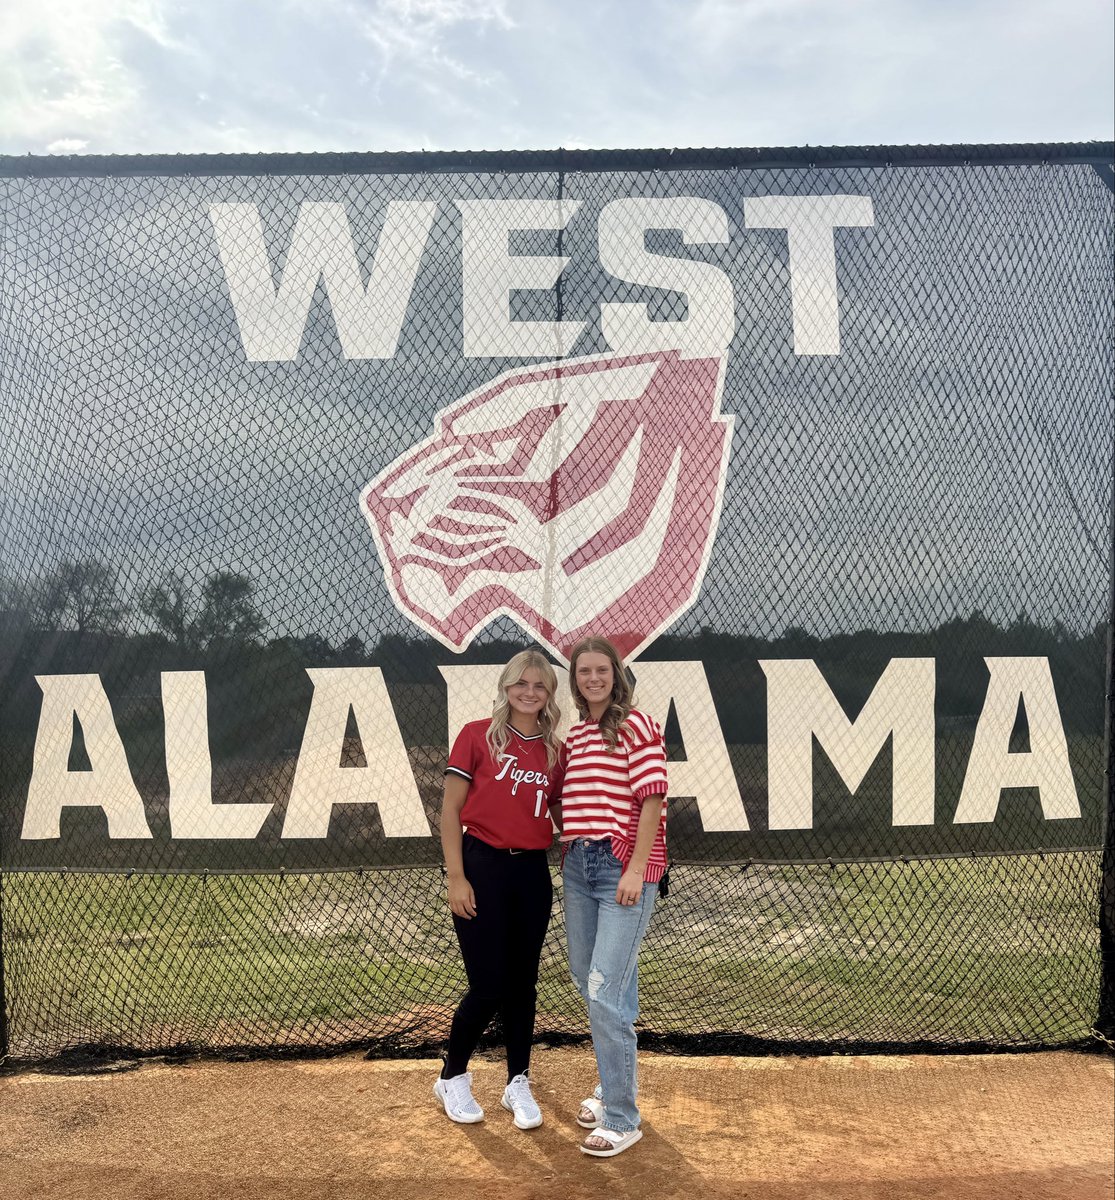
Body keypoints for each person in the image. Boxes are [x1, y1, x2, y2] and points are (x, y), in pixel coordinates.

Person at [434, 649, 564, 1130]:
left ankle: (518, 1081)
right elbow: (450, 812)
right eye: (521, 684)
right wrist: (456, 876)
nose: (529, 693)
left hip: (531, 873)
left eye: (540, 686)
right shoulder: (476, 737)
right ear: (505, 686)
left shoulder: (554, 749)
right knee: (487, 985)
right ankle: (453, 1076)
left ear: (550, 694)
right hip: (481, 865)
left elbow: (558, 814)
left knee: (522, 986)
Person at [556, 636, 668, 1158]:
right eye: (584, 672)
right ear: (575, 679)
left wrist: (637, 867)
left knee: (603, 989)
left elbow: (653, 800)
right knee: (593, 978)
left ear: (616, 675)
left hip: (622, 867)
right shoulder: (576, 733)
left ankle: (623, 1118)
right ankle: (610, 1081)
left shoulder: (635, 724)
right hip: (579, 866)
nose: (593, 679)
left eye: (602, 670)